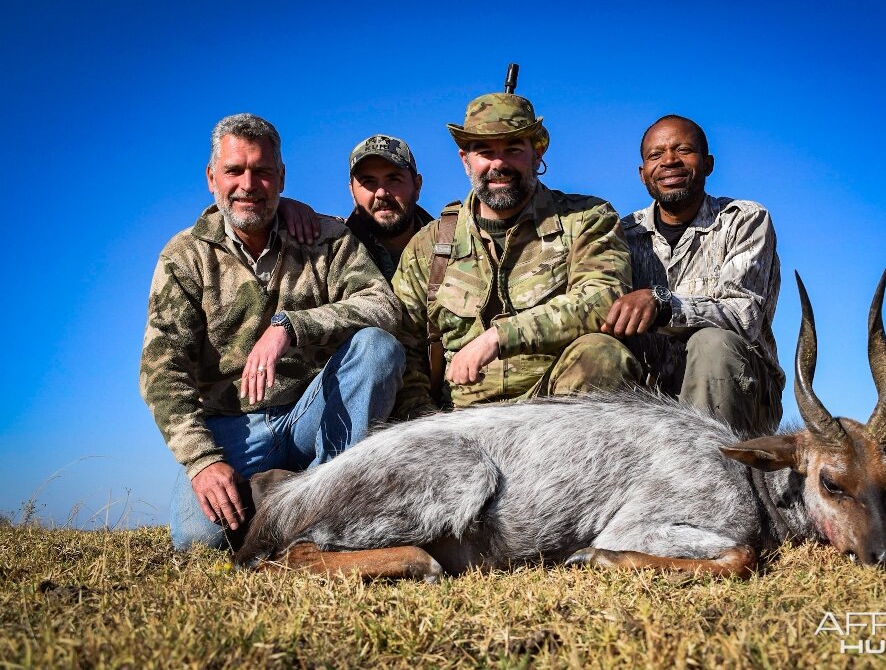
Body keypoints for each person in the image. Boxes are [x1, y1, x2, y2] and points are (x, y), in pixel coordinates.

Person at [140, 113, 405, 551]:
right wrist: (203, 462)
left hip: (311, 413)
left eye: (262, 171)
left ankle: (331, 499)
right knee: (196, 541)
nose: (249, 184)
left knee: (377, 347)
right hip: (233, 428)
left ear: (280, 177)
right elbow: (161, 370)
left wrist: (290, 327)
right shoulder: (183, 256)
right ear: (212, 178)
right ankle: (287, 491)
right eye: (234, 171)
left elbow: (383, 306)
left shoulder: (326, 237)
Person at [391, 89, 640, 418]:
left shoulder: (586, 219)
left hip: (555, 411)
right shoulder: (431, 244)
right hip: (460, 421)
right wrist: (425, 424)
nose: (498, 164)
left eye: (512, 149)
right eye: (484, 151)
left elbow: (604, 298)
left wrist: (500, 336)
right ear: (464, 159)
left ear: (537, 154)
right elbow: (403, 343)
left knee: (602, 355)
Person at [602, 115, 784, 436]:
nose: (669, 161)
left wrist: (663, 305)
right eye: (655, 155)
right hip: (652, 393)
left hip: (738, 391)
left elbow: (744, 316)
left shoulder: (744, 221)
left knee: (712, 343)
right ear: (642, 173)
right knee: (596, 348)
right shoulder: (621, 234)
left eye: (683, 150)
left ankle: (710, 477)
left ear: (708, 163)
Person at [345, 135, 433, 280]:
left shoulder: (455, 244)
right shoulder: (329, 251)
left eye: (393, 180)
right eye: (368, 182)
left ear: (417, 186)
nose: (381, 193)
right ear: (352, 192)